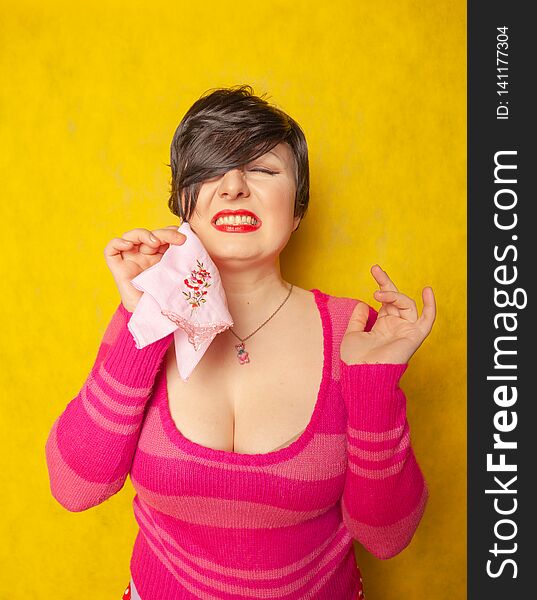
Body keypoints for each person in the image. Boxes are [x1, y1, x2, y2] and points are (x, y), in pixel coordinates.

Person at [45, 84, 436, 600]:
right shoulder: (146, 317)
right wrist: (145, 322)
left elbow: (386, 536)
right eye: (210, 170)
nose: (233, 186)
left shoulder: (355, 333)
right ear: (183, 204)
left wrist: (374, 384)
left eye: (264, 170)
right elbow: (75, 487)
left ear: (297, 211)